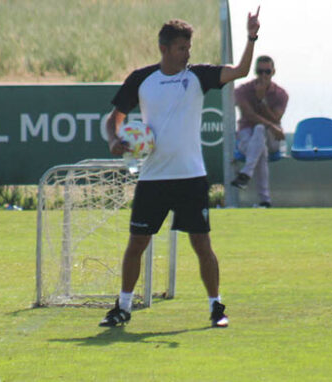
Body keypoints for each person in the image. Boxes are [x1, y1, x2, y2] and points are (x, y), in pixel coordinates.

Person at [99, 7, 261, 328]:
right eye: (181, 48)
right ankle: (124, 307)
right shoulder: (141, 79)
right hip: (153, 178)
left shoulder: (198, 76)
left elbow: (241, 70)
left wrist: (251, 36)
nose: (187, 54)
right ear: (164, 49)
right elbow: (113, 120)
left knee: (202, 245)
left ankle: (216, 307)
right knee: (136, 245)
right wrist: (114, 140)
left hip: (191, 177)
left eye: (189, 48)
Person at [230, 55, 288, 207]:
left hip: (272, 139)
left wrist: (262, 101)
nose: (263, 76)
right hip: (247, 136)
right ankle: (265, 201)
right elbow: (249, 115)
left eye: (267, 72)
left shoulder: (281, 94)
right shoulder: (242, 90)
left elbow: (276, 118)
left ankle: (246, 173)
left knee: (260, 132)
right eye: (259, 71)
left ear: (273, 72)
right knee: (260, 144)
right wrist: (270, 126)